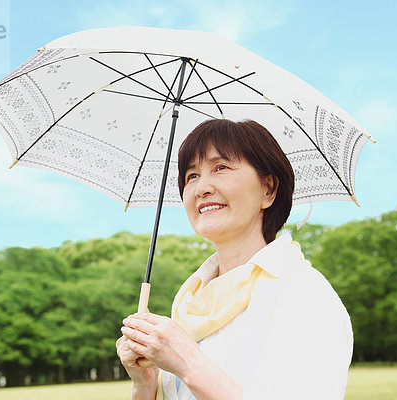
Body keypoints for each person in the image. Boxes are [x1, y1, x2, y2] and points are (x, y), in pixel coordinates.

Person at [116, 119, 353, 400]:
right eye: (191, 176)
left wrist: (188, 362)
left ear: (268, 189)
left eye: (221, 168)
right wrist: (145, 384)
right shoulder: (189, 301)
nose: (201, 187)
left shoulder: (304, 294)